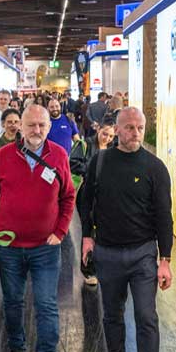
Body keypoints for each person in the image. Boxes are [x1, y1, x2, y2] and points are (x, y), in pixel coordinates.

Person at [77, 107, 173, 352]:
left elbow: (163, 214)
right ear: (116, 130)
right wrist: (88, 236)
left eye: (140, 127)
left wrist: (165, 259)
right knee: (112, 315)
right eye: (129, 127)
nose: (135, 133)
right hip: (107, 252)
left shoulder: (155, 167)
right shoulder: (100, 162)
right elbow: (86, 199)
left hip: (144, 253)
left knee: (147, 317)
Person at [0, 105, 75, 352]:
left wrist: (60, 231)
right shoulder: (5, 155)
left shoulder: (58, 155)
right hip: (9, 247)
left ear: (48, 126)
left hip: (46, 248)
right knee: (12, 302)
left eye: (42, 126)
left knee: (46, 305)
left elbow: (68, 196)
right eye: (31, 125)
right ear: (20, 126)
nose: (37, 131)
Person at [70, 119, 116, 287]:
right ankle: (88, 269)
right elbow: (73, 163)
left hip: (106, 195)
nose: (107, 138)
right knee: (87, 229)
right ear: (98, 130)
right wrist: (92, 169)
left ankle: (102, 265)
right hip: (86, 193)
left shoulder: (114, 148)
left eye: (111, 136)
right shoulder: (85, 144)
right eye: (105, 134)